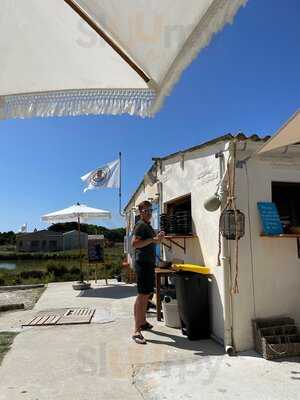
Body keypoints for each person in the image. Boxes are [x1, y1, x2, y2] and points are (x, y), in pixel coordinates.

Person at [131, 200, 165, 344]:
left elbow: (150, 242)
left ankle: (143, 322)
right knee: (142, 296)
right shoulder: (140, 225)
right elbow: (135, 244)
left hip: (148, 263)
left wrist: (157, 239)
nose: (149, 212)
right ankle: (136, 331)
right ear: (140, 212)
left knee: (146, 295)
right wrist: (153, 239)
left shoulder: (148, 225)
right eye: (145, 210)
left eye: (150, 210)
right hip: (143, 264)